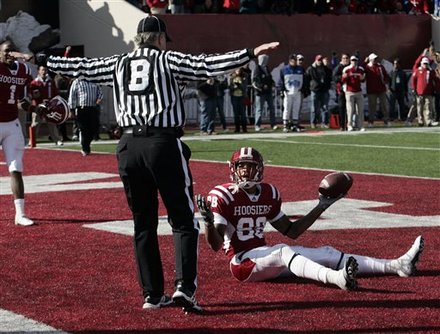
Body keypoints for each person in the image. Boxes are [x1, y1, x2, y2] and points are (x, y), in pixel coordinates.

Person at [46, 14, 279, 312]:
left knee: (143, 223)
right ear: (159, 39)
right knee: (183, 220)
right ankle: (185, 288)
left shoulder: (118, 63)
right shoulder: (169, 61)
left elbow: (78, 67)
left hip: (128, 146)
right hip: (162, 143)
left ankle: (152, 294)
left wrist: (40, 58)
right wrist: (250, 53)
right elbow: (207, 65)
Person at [196, 147, 425, 291]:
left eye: (250, 167)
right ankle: (337, 279)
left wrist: (321, 206)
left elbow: (292, 230)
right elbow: (215, 245)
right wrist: (207, 221)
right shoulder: (223, 194)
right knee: (283, 251)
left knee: (326, 252)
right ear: (233, 169)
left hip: (265, 258)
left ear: (260, 169)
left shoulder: (269, 193)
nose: (245, 172)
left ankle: (396, 265)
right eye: (241, 167)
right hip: (242, 264)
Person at [0, 40, 35, 226]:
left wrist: (38, 108)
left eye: (11, 51)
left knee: (16, 168)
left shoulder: (23, 70)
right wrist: (20, 54)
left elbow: (22, 99)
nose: (9, 54)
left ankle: (20, 214)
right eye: (6, 51)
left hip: (12, 123)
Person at [30, 64, 63, 146]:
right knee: (35, 123)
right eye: (42, 70)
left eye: (45, 70)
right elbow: (31, 94)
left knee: (52, 123)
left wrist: (54, 104)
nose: (44, 72)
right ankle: (32, 140)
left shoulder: (51, 82)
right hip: (38, 106)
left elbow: (55, 93)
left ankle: (57, 140)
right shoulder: (34, 82)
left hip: (49, 106)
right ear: (38, 71)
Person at [68, 78, 103, 156]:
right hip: (82, 108)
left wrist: (99, 99)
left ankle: (86, 143)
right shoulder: (77, 82)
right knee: (84, 128)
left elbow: (100, 92)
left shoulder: (95, 80)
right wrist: (72, 109)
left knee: (94, 128)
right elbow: (72, 96)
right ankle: (85, 148)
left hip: (93, 107)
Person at [278, 54, 306, 132]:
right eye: (292, 60)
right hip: (288, 92)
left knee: (296, 109)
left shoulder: (301, 69)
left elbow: (304, 80)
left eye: (295, 60)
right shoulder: (284, 69)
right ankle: (285, 125)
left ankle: (295, 124)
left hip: (297, 91)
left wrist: (303, 89)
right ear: (290, 60)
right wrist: (281, 90)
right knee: (287, 108)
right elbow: (281, 81)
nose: (294, 61)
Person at [410, 57, 440, 126]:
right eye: (424, 63)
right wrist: (413, 89)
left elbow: (436, 80)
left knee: (428, 107)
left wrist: (437, 89)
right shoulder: (417, 71)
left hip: (429, 92)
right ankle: (420, 121)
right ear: (421, 63)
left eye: (426, 63)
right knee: (419, 107)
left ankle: (428, 121)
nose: (425, 65)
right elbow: (413, 80)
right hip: (419, 92)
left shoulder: (430, 71)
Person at [364, 53, 391, 127]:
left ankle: (386, 121)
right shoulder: (367, 67)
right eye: (374, 59)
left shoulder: (380, 66)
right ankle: (371, 122)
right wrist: (364, 62)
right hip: (371, 90)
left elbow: (385, 75)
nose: (375, 60)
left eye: (376, 59)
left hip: (381, 89)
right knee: (372, 106)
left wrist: (386, 81)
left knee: (384, 106)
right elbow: (362, 72)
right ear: (370, 59)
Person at [252, 54, 277, 131]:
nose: (266, 61)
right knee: (259, 109)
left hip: (268, 92)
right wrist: (262, 86)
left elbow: (269, 77)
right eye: (265, 59)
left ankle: (273, 124)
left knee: (272, 108)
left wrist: (272, 83)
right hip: (260, 92)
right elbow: (255, 81)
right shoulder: (257, 69)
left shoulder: (266, 68)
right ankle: (257, 125)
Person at [307, 54, 333, 128]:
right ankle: (313, 123)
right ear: (315, 60)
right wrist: (311, 87)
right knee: (314, 108)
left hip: (324, 90)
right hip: (315, 90)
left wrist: (326, 65)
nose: (319, 62)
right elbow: (307, 78)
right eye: (318, 60)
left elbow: (329, 76)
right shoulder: (311, 68)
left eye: (320, 60)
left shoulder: (325, 69)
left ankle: (324, 122)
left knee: (325, 107)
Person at [342, 55, 366, 131]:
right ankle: (349, 125)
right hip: (349, 92)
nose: (354, 62)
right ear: (350, 61)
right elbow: (343, 79)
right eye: (352, 60)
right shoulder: (347, 69)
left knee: (360, 109)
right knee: (350, 110)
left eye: (355, 60)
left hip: (358, 91)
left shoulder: (360, 69)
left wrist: (362, 78)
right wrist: (347, 76)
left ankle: (361, 125)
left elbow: (363, 79)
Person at [229, 67, 249, 133]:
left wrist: (240, 85)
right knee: (236, 113)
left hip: (242, 96)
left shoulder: (244, 76)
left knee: (243, 113)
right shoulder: (231, 76)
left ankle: (244, 128)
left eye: (239, 69)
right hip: (234, 96)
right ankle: (237, 128)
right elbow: (229, 86)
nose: (238, 71)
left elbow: (245, 86)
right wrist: (234, 87)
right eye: (237, 69)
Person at [333, 53, 350, 131]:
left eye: (347, 58)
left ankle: (350, 124)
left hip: (350, 90)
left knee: (350, 108)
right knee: (342, 107)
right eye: (344, 58)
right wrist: (341, 77)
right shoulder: (339, 67)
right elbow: (334, 77)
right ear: (341, 59)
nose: (345, 59)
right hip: (341, 91)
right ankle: (342, 125)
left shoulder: (350, 67)